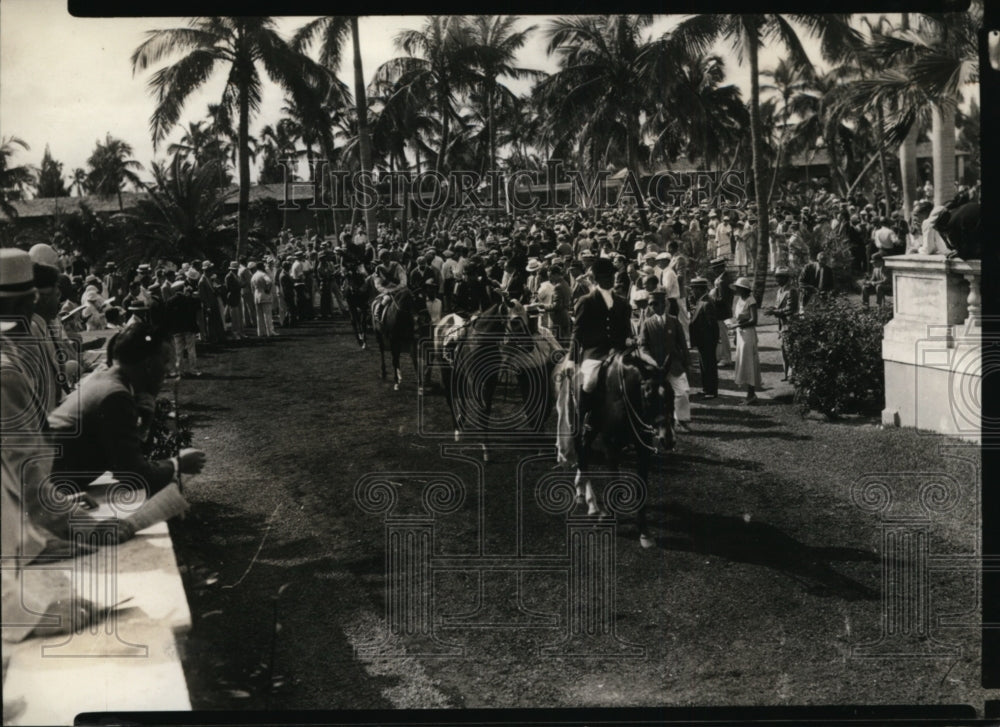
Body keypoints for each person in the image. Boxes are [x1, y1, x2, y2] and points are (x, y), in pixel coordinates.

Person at [40, 323, 207, 541]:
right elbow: (134, 475)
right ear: (148, 364)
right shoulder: (115, 396)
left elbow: (127, 458)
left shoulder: (107, 381)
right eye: (165, 361)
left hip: (45, 492)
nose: (168, 370)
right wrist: (178, 464)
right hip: (36, 501)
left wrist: (144, 422)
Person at [572, 257, 632, 434]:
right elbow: (577, 332)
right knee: (589, 381)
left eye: (611, 277)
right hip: (594, 352)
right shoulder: (586, 301)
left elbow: (625, 329)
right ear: (596, 279)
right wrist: (572, 358)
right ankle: (583, 419)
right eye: (604, 277)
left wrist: (628, 340)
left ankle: (640, 423)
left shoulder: (622, 302)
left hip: (620, 351)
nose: (609, 281)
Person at [636, 288, 692, 432]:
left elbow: (683, 345)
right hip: (655, 367)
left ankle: (682, 420)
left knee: (682, 392)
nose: (654, 307)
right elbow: (643, 347)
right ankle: (655, 424)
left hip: (674, 365)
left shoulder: (674, 321)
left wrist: (686, 363)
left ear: (664, 304)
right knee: (654, 396)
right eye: (652, 305)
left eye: (657, 304)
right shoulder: (647, 323)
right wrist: (651, 362)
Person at [728, 277, 762, 404]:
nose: (736, 289)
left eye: (738, 287)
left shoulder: (750, 300)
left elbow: (754, 320)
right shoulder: (739, 300)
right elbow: (738, 318)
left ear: (743, 289)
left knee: (749, 363)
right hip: (741, 334)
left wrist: (737, 326)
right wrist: (736, 333)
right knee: (743, 362)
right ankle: (749, 394)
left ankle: (751, 395)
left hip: (748, 335)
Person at [687, 277, 718, 398]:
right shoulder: (702, 301)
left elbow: (712, 325)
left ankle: (711, 391)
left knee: (709, 365)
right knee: (704, 365)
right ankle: (706, 388)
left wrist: (710, 341)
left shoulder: (707, 303)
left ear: (699, 289)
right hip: (703, 341)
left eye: (693, 289)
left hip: (707, 341)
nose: (692, 292)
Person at [765, 267, 798, 381]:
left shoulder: (791, 291)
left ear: (786, 278)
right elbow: (778, 306)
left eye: (779, 277)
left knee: (790, 349)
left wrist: (774, 312)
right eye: (776, 277)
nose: (777, 280)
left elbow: (790, 309)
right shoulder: (780, 291)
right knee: (784, 349)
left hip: (790, 324)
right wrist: (771, 309)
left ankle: (793, 374)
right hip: (782, 324)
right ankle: (787, 374)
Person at [707, 259, 733, 367]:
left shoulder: (723, 280)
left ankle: (726, 357)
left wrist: (710, 299)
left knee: (723, 335)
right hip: (719, 311)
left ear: (720, 267)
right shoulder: (721, 278)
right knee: (719, 335)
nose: (714, 271)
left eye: (715, 268)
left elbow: (723, 299)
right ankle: (720, 356)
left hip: (721, 311)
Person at [251, 261, 277, 337]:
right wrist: (268, 289)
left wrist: (254, 294)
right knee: (267, 314)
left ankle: (261, 332)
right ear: (262, 267)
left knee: (259, 316)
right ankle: (270, 331)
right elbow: (269, 282)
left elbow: (252, 287)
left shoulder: (254, 275)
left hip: (257, 295)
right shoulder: (263, 274)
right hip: (264, 294)